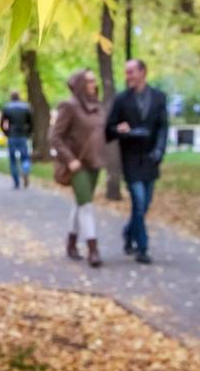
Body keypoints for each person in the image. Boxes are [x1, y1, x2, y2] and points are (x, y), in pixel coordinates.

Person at [106, 59, 168, 264]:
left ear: (143, 72)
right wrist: (119, 130)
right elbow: (108, 130)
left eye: (131, 72)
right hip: (131, 159)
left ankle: (128, 232)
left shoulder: (159, 97)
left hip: (150, 159)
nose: (128, 76)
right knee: (139, 202)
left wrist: (159, 151)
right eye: (126, 73)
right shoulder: (121, 100)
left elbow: (163, 128)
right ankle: (143, 247)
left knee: (145, 204)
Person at [50, 69, 106, 267]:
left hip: (94, 162)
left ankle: (71, 244)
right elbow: (55, 137)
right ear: (81, 84)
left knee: (81, 203)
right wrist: (69, 159)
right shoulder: (70, 106)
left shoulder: (97, 107)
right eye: (89, 81)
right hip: (77, 165)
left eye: (94, 81)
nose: (93, 84)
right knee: (87, 206)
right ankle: (93, 249)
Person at [1, 90, 33, 189]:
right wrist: (28, 133)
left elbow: (2, 123)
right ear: (19, 97)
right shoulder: (26, 107)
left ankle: (16, 182)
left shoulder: (7, 107)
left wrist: (6, 133)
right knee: (25, 157)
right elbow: (31, 122)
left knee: (13, 160)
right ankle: (26, 170)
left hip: (12, 136)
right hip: (23, 136)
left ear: (11, 97)